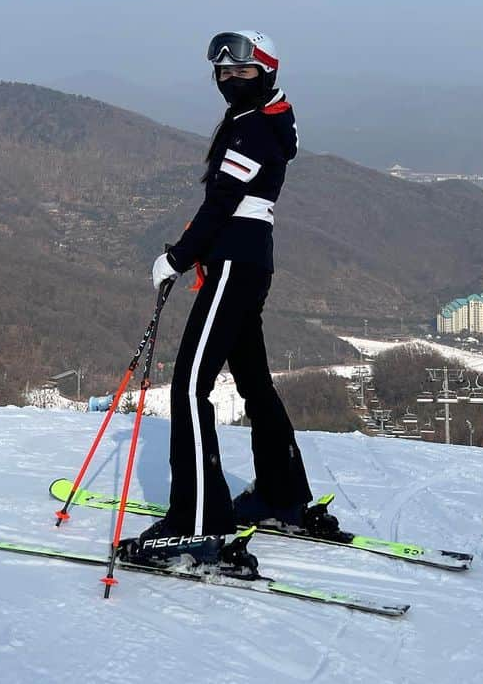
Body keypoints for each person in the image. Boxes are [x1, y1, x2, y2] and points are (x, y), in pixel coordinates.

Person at [118, 30, 333, 574]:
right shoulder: (265, 117)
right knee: (255, 383)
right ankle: (282, 493)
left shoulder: (254, 128)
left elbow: (220, 204)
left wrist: (178, 257)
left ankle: (196, 521)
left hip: (235, 262)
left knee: (190, 387)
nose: (228, 80)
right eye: (221, 73)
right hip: (245, 259)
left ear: (266, 70)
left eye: (240, 72)